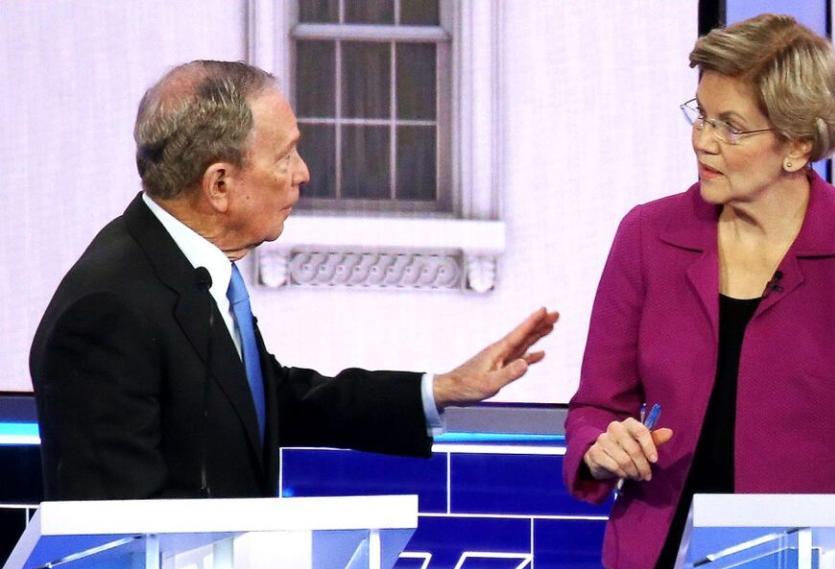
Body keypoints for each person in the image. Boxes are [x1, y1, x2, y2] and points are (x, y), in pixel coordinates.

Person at [562, 14, 835, 569]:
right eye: (702, 115)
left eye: (731, 127)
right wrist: (601, 448)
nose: (703, 142)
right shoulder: (646, 237)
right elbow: (596, 406)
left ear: (797, 146)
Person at [31, 60, 559, 501]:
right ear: (220, 184)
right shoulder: (109, 309)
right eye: (286, 157)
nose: (303, 173)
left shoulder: (185, 269)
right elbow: (115, 532)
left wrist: (440, 389)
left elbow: (269, 399)